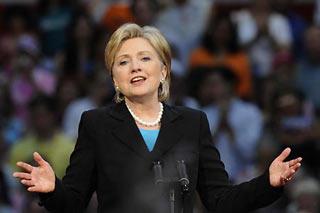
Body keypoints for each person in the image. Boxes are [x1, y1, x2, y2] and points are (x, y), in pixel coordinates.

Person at [12, 23, 302, 213]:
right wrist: (53, 190)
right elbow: (74, 202)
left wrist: (268, 183)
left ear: (164, 70)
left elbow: (219, 200)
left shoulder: (193, 122)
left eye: (145, 58)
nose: (134, 67)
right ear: (115, 78)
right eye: (123, 62)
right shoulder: (95, 123)